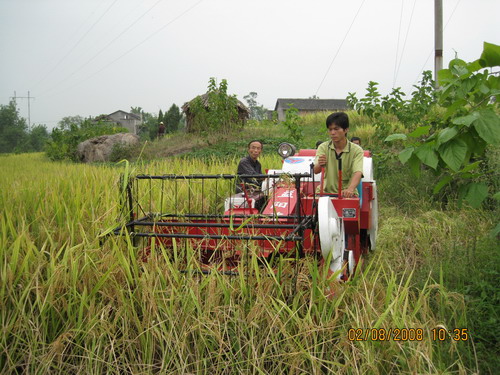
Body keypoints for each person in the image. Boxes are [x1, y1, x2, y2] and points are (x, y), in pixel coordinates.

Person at [314, 112, 363, 198]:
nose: (332, 133)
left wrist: (350, 189)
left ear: (346, 129)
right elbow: (315, 170)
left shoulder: (356, 150)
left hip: (346, 194)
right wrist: (320, 164)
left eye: (336, 129)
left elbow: (357, 172)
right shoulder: (323, 147)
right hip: (325, 193)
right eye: (330, 129)